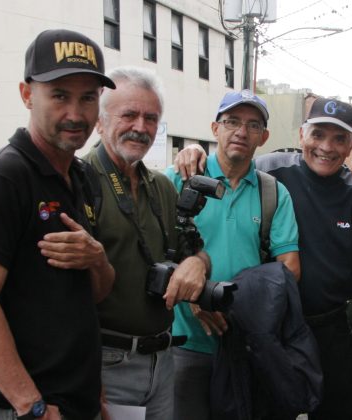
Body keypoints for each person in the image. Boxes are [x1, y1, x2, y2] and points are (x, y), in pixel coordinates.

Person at [173, 97, 352, 419]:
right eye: (317, 135)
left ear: (351, 144)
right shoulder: (273, 170)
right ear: (302, 135)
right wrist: (194, 153)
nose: (326, 147)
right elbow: (233, 158)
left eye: (339, 138)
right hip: (270, 326)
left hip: (329, 325)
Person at [0, 29, 116, 419]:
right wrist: (33, 406)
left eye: (88, 98)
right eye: (59, 96)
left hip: (76, 404)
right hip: (22, 409)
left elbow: (92, 297)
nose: (76, 115)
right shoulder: (2, 177)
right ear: (27, 95)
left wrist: (97, 259)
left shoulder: (82, 178)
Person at [82, 66, 210, 418]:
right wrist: (84, 378)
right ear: (100, 121)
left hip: (162, 361)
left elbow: (194, 250)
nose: (140, 127)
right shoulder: (78, 183)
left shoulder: (162, 187)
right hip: (105, 363)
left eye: (151, 118)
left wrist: (197, 264)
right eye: (129, 115)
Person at [165, 90, 300, 420]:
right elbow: (152, 252)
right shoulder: (178, 180)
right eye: (232, 121)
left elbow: (289, 269)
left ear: (263, 136)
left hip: (244, 344)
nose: (241, 131)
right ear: (215, 128)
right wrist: (194, 294)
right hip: (185, 344)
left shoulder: (273, 193)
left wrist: (240, 305)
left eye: (253, 125)